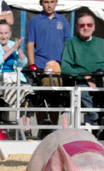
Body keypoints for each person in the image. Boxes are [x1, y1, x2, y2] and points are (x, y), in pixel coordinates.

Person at [26, 0, 71, 132]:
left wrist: (66, 64)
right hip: (40, 65)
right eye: (46, 2)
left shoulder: (62, 21)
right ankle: (41, 129)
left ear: (56, 3)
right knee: (40, 98)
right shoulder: (34, 21)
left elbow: (67, 44)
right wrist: (32, 65)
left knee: (55, 99)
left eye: (52, 2)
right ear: (41, 3)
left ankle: (53, 130)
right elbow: (30, 44)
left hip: (58, 67)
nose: (49, 5)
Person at [0, 21, 33, 134]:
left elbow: (22, 63)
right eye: (0, 33)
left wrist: (18, 49)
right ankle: (18, 123)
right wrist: (12, 49)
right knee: (16, 91)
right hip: (2, 79)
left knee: (29, 92)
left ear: (10, 33)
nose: (3, 36)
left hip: (15, 78)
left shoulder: (12, 45)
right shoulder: (10, 46)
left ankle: (26, 125)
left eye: (5, 33)